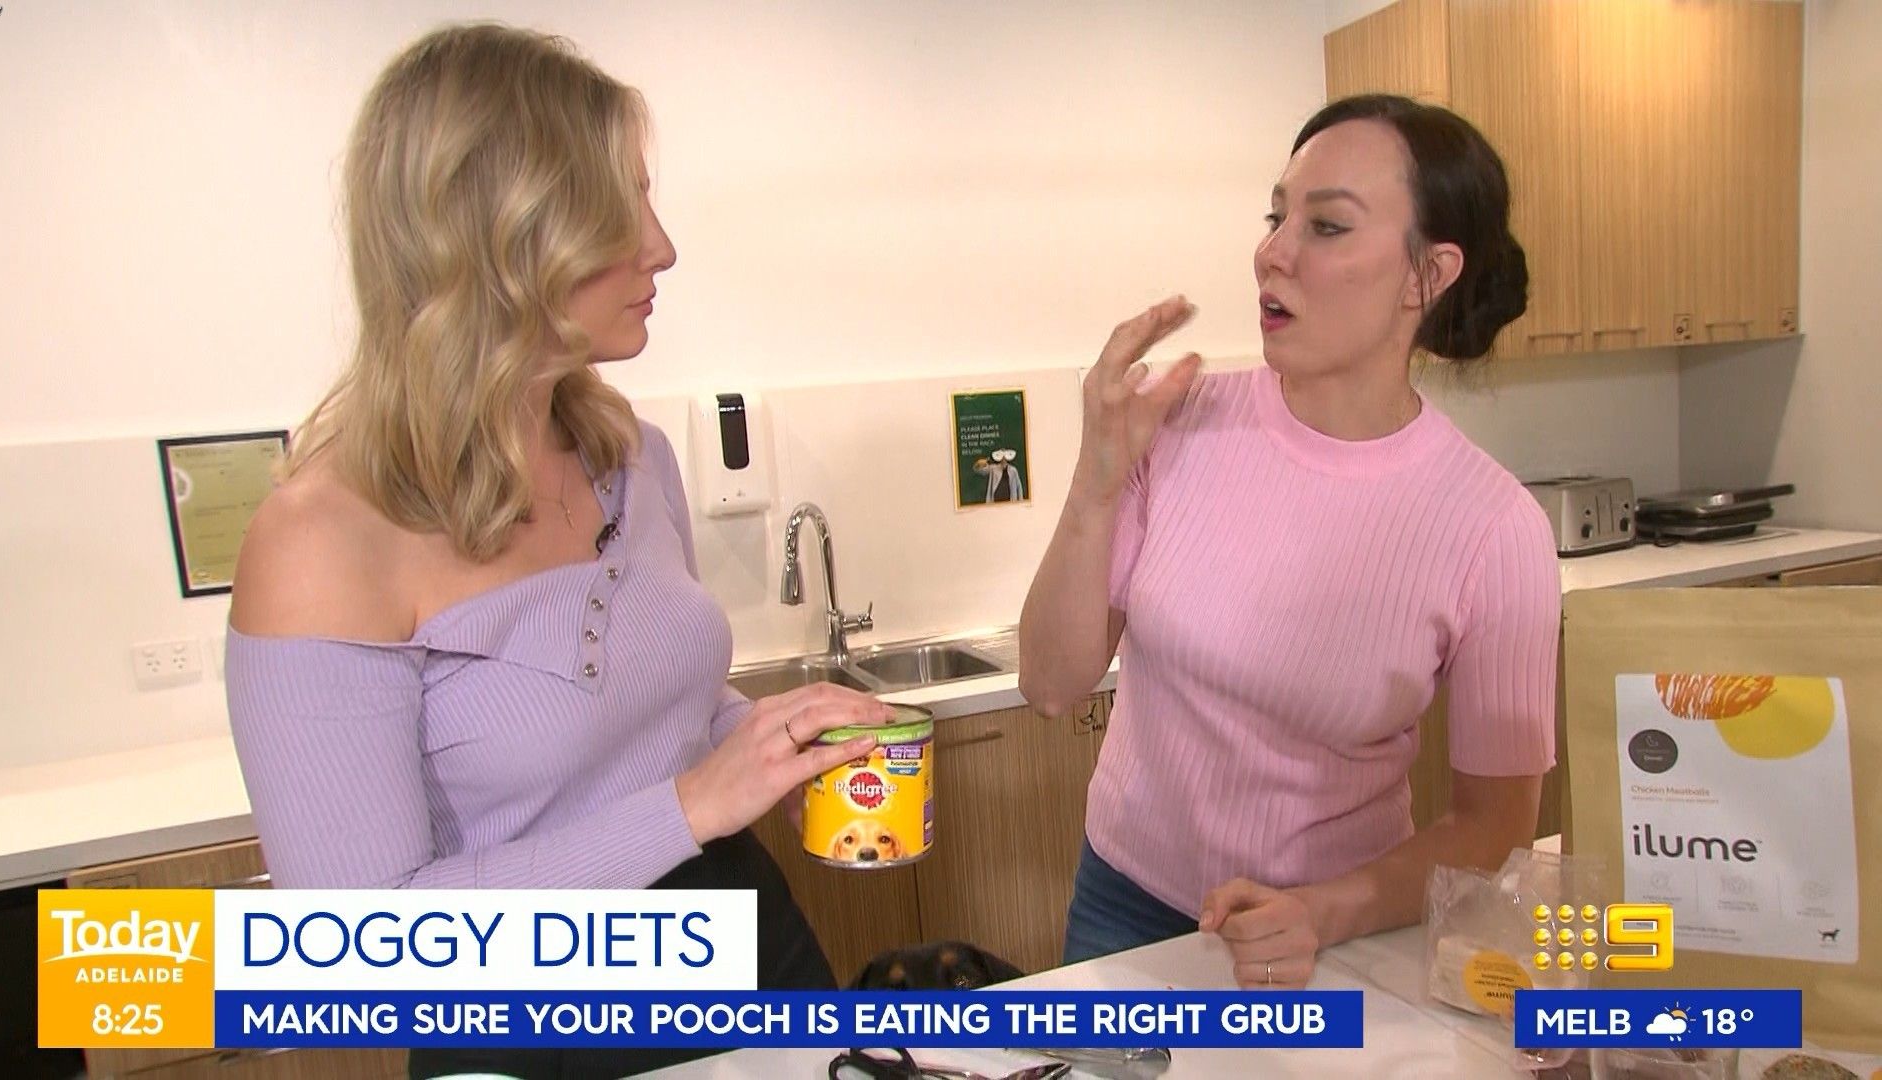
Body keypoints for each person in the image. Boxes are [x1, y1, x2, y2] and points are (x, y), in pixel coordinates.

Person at [223, 23, 888, 1079]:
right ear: (498, 234)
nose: (661, 247)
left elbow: (659, 716)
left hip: (748, 945)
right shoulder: (322, 542)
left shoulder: (630, 454)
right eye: (620, 207)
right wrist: (689, 807)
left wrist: (770, 737)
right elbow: (352, 949)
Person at [1018, 94, 1561, 989]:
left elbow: (1493, 825)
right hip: (1123, 909)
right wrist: (1096, 480)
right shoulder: (1182, 421)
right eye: (1276, 218)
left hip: (1334, 937)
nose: (1272, 253)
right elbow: (1048, 684)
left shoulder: (1494, 530)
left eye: (1327, 226)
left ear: (1427, 276)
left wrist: (1326, 910)